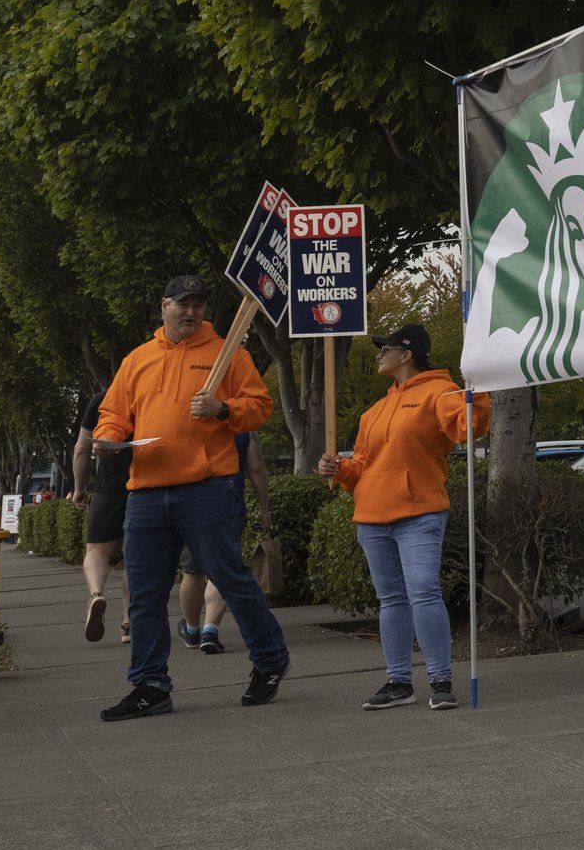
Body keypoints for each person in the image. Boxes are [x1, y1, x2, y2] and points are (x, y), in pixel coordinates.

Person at [94, 274, 290, 721]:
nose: (191, 312)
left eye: (198, 305)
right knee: (144, 594)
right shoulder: (137, 359)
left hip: (207, 487)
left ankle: (269, 658)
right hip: (146, 492)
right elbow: (114, 413)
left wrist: (223, 409)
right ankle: (149, 686)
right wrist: (108, 438)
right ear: (164, 306)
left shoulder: (228, 353)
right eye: (182, 304)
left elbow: (259, 406)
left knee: (231, 578)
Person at [320, 324, 486, 711]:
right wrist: (339, 470)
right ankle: (398, 682)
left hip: (419, 515)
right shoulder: (374, 411)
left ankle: (440, 680)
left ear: (407, 354)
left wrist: (480, 389)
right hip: (372, 518)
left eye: (385, 349)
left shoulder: (441, 393)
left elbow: (469, 428)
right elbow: (361, 468)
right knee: (391, 600)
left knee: (423, 593)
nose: (379, 354)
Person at [175, 434, 272, 654]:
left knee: (192, 572)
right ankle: (210, 629)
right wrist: (264, 508)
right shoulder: (240, 429)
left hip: (190, 508)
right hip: (229, 505)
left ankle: (191, 630)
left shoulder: (185, 423)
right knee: (222, 569)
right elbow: (256, 469)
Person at [69, 418, 130, 642]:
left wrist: (79, 488)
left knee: (96, 551)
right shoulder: (149, 390)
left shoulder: (101, 401)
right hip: (144, 483)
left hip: (108, 486)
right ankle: (128, 623)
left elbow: (82, 447)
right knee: (135, 554)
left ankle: (96, 593)